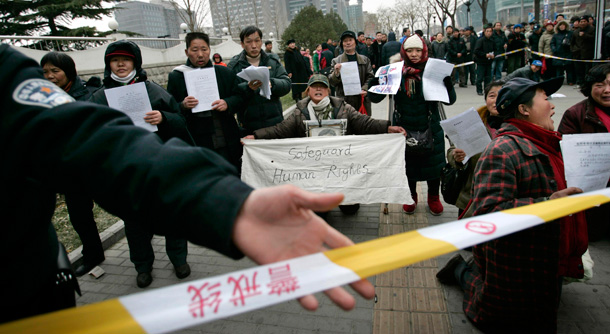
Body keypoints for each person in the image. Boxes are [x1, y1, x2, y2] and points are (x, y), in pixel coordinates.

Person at [0, 43, 375, 324]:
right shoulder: (121, 89)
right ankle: (141, 264)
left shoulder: (7, 75)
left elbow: (103, 145)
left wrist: (230, 205)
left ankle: (178, 261)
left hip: (27, 295)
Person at [436, 77, 587, 332]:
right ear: (523, 109)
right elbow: (488, 213)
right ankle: (463, 270)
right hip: (517, 259)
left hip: (550, 252)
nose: (552, 106)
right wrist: (547, 205)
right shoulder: (503, 150)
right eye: (545, 99)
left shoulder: (548, 141)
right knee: (496, 314)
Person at [89, 40, 194, 288]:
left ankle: (179, 259)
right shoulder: (99, 97)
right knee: (135, 225)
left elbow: (180, 121)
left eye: (126, 59)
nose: (121, 64)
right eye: (115, 60)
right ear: (109, 65)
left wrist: (164, 118)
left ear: (135, 62)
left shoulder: (153, 91)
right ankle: (143, 266)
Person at [369, 35, 456, 216]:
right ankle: (411, 196)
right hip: (403, 127)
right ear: (404, 51)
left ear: (424, 50)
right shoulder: (395, 71)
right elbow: (375, 98)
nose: (414, 54)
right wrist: (375, 81)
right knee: (409, 167)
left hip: (431, 126)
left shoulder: (433, 70)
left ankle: (433, 196)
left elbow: (450, 101)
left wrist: (448, 83)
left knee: (434, 166)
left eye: (418, 50)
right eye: (410, 50)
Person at [40, 52, 105, 277]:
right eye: (45, 71)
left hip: (96, 165)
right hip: (69, 169)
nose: (50, 76)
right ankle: (93, 254)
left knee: (123, 206)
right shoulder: (42, 98)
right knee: (79, 215)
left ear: (69, 72)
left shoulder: (91, 93)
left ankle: (142, 256)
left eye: (55, 71)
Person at [167, 32, 244, 170]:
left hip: (227, 137)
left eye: (204, 49)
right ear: (187, 52)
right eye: (195, 50)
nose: (200, 54)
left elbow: (240, 97)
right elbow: (170, 111)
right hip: (197, 141)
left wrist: (227, 103)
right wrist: (183, 105)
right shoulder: (177, 77)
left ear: (209, 50)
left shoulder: (223, 73)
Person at [245, 74, 406, 139]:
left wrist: (388, 127)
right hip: (314, 165)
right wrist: (256, 136)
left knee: (351, 208)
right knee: (321, 212)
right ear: (308, 91)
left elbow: (365, 123)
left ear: (328, 90)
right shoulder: (299, 112)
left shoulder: (343, 108)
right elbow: (280, 130)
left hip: (342, 161)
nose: (318, 89)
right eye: (314, 87)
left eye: (322, 86)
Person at [558, 63, 610, 240]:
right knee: (592, 233)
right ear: (590, 88)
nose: (607, 90)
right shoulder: (575, 114)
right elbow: (564, 152)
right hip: (592, 188)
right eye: (600, 85)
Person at [446, 81, 503, 217]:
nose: (496, 101)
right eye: (492, 96)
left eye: (501, 95)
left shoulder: (518, 125)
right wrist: (456, 158)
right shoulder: (473, 121)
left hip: (502, 193)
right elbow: (451, 151)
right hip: (471, 194)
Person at [228, 26, 291, 135]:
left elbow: (286, 84)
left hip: (275, 125)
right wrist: (247, 88)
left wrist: (272, 83)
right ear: (242, 44)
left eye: (257, 41)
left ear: (261, 42)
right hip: (248, 128)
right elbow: (231, 94)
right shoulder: (234, 66)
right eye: (249, 42)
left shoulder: (273, 61)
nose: (253, 46)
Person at [329, 30, 375, 115]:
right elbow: (332, 82)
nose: (348, 43)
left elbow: (370, 77)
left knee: (364, 126)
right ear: (342, 44)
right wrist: (336, 73)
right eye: (345, 41)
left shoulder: (365, 60)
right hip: (344, 101)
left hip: (361, 100)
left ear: (355, 42)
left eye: (350, 40)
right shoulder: (336, 61)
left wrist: (364, 88)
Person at [284, 39, 313, 103]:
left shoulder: (297, 51)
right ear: (288, 45)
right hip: (294, 71)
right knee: (295, 85)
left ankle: (300, 96)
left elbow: (302, 60)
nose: (292, 44)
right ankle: (296, 97)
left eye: (293, 43)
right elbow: (287, 63)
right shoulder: (287, 53)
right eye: (291, 44)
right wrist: (289, 72)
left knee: (301, 84)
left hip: (301, 71)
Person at [571, 16, 595, 86]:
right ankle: (580, 82)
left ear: (587, 22)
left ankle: (586, 83)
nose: (583, 23)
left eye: (584, 21)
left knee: (587, 70)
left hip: (588, 54)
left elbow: (594, 39)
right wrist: (573, 50)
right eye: (581, 22)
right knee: (578, 70)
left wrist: (585, 35)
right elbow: (572, 42)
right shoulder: (576, 31)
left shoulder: (592, 29)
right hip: (577, 53)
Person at [474, 25, 495, 96]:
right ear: (484, 31)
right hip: (481, 62)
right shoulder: (480, 40)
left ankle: (487, 90)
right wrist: (485, 55)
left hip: (489, 62)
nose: (489, 33)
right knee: (479, 78)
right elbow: (476, 51)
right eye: (487, 31)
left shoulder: (492, 41)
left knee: (488, 78)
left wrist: (493, 55)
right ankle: (479, 90)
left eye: (490, 31)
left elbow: (495, 49)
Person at [551, 20, 574, 85]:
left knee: (569, 69)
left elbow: (573, 42)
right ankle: (559, 81)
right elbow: (552, 43)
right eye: (560, 25)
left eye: (563, 25)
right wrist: (554, 49)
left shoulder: (570, 33)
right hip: (558, 53)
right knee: (559, 69)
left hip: (567, 53)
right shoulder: (556, 35)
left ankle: (570, 81)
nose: (562, 27)